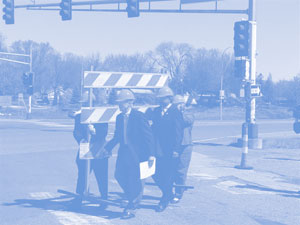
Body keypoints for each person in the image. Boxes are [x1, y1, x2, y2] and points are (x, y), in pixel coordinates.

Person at [104, 89, 155, 219]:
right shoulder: (119, 117)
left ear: (130, 102)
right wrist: (107, 148)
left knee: (136, 180)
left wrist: (151, 154)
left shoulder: (139, 116)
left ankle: (132, 207)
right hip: (124, 153)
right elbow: (117, 136)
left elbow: (148, 136)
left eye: (122, 103)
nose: (119, 105)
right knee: (119, 175)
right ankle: (132, 197)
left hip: (138, 154)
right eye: (119, 103)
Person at [147, 86, 184, 212]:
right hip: (157, 149)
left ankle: (164, 200)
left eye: (163, 98)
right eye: (160, 98)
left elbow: (178, 133)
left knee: (167, 174)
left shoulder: (175, 112)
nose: (161, 101)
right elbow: (153, 129)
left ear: (169, 98)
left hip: (170, 149)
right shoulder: (156, 111)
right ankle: (168, 193)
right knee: (155, 172)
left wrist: (176, 149)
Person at [70, 109, 109, 209]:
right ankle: (79, 197)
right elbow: (76, 132)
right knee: (82, 174)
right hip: (84, 148)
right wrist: (81, 140)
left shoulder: (102, 114)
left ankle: (104, 198)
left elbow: (104, 132)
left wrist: (94, 131)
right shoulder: (80, 116)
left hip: (98, 149)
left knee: (101, 175)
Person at [171, 95, 194, 204]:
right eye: (175, 105)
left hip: (185, 145)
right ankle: (171, 191)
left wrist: (179, 112)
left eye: (179, 104)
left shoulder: (188, 113)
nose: (178, 107)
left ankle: (178, 193)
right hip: (173, 145)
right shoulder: (173, 114)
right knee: (171, 169)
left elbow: (186, 121)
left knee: (181, 170)